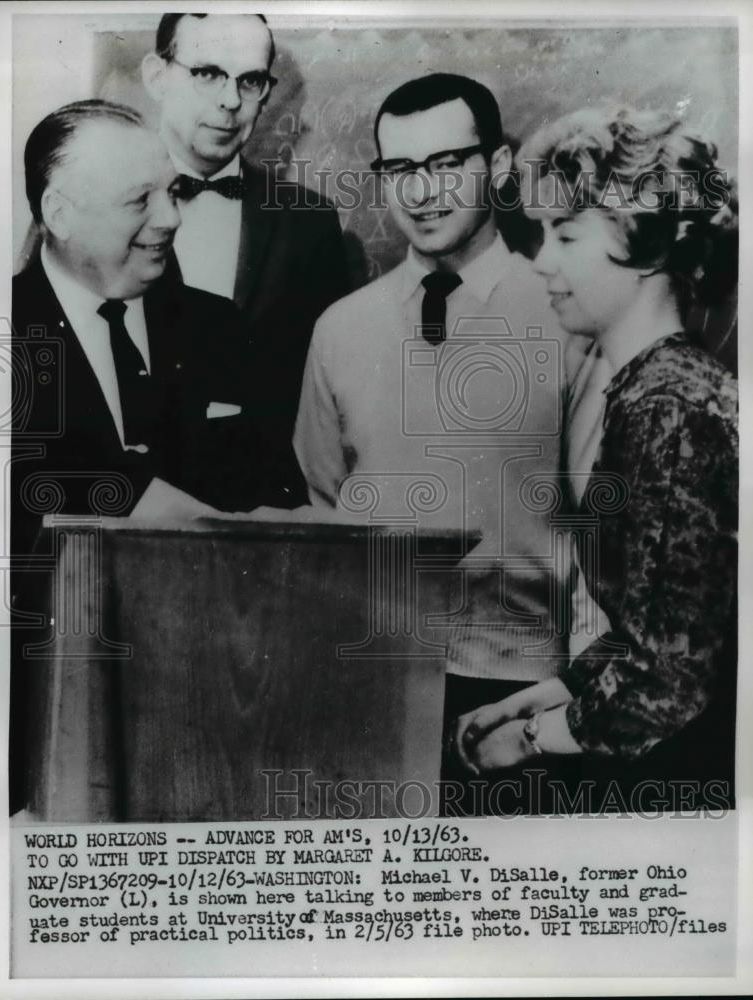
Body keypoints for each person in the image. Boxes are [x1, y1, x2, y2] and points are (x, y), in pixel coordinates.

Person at [9, 100, 304, 810]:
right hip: (39, 740)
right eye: (139, 200)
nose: (171, 218)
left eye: (171, 191)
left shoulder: (219, 328)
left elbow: (282, 499)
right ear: (59, 212)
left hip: (213, 725)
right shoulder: (3, 337)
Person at [454, 107, 738, 812]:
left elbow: (671, 676)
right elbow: (659, 623)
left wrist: (530, 738)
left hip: (676, 786)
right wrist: (555, 691)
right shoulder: (653, 386)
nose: (542, 260)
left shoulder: (667, 407)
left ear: (642, 242)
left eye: (566, 233)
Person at [293, 73, 570, 791]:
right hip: (367, 680)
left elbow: (611, 522)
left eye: (446, 164)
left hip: (522, 694)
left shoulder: (569, 314)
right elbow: (325, 501)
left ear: (499, 166)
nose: (421, 193)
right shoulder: (340, 328)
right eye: (400, 169)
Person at [141, 12, 349, 441]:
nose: (231, 101)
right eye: (208, 74)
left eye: (250, 81)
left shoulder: (311, 221)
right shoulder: (91, 201)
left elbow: (331, 387)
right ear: (157, 77)